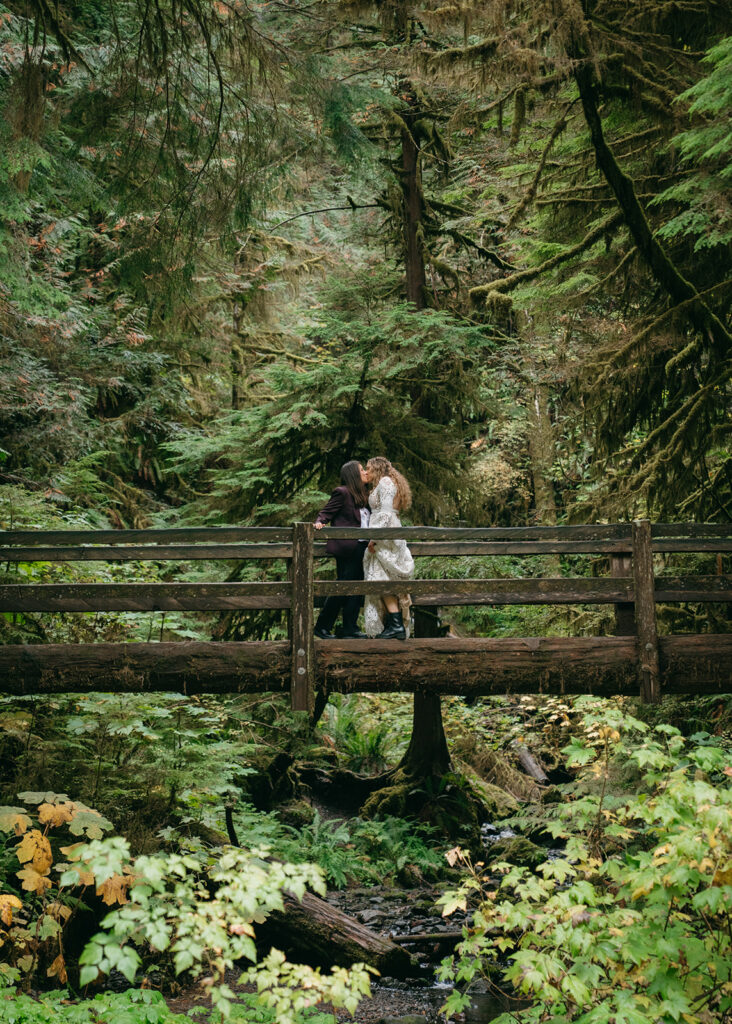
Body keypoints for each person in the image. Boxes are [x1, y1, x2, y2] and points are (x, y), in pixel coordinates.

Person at [313, 460, 371, 639]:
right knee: (343, 585)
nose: (366, 473)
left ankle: (350, 628)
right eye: (362, 470)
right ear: (354, 474)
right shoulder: (342, 492)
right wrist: (320, 522)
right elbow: (327, 512)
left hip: (363, 547)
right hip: (349, 547)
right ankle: (322, 626)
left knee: (355, 587)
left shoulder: (364, 495)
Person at [363, 457, 414, 640]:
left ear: (377, 468)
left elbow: (385, 513)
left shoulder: (385, 482)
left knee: (381, 579)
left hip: (385, 535)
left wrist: (375, 538)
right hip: (385, 533)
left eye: (368, 468)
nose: (366, 472)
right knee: (382, 578)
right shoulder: (387, 482)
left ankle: (396, 625)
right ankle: (393, 625)